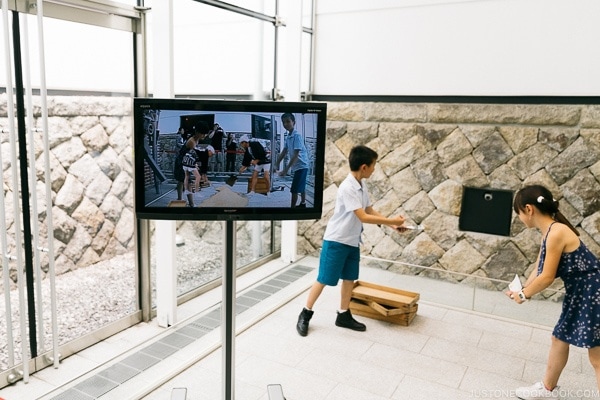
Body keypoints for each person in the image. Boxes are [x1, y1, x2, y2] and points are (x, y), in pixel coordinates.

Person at [296, 145, 407, 336]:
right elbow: (363, 217)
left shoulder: (362, 186)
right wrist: (391, 220)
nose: (374, 169)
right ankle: (305, 313)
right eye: (373, 166)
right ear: (364, 167)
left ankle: (343, 314)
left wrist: (393, 226)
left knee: (349, 279)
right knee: (324, 279)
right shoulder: (348, 187)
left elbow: (370, 210)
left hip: (352, 241)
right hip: (336, 240)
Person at [506, 185, 600, 399]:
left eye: (519, 213)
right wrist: (520, 290)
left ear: (528, 209)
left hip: (592, 294)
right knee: (560, 338)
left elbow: (547, 277)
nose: (520, 218)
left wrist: (524, 295)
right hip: (583, 293)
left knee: (597, 356)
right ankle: (547, 389)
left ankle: (547, 389)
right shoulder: (551, 231)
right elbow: (539, 267)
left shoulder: (556, 232)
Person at [275, 113, 310, 207]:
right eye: (283, 122)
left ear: (293, 122)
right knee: (302, 186)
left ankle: (292, 209)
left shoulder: (297, 136)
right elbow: (284, 151)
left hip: (302, 165)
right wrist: (277, 163)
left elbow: (295, 155)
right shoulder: (288, 136)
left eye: (288, 121)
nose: (285, 124)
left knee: (294, 189)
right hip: (298, 166)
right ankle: (303, 204)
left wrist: (286, 170)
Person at [181, 122, 210, 206]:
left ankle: (181, 199)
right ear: (197, 132)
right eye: (203, 134)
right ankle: (191, 204)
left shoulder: (196, 139)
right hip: (184, 161)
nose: (204, 136)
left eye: (205, 134)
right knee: (188, 180)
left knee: (183, 180)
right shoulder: (192, 142)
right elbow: (196, 156)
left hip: (187, 160)